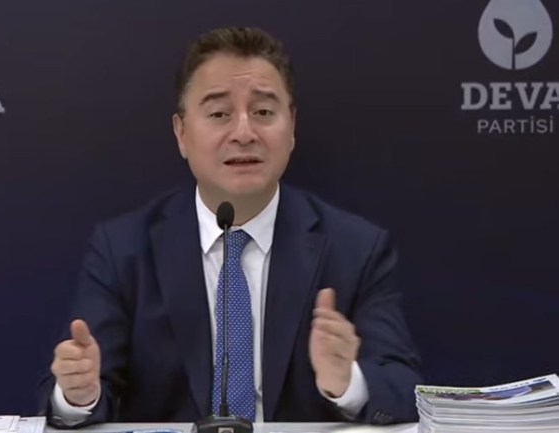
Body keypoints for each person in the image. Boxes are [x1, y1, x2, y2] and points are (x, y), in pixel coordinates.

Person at [37, 26, 422, 426]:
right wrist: (79, 394)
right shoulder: (123, 250)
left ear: (291, 127)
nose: (243, 133)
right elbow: (74, 387)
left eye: (263, 113)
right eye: (219, 114)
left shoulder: (356, 249)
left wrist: (348, 382)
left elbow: (403, 387)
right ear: (181, 133)